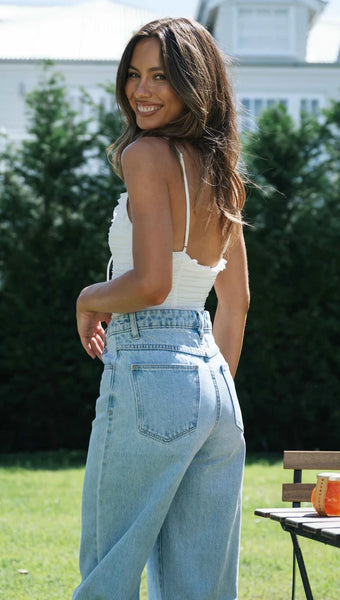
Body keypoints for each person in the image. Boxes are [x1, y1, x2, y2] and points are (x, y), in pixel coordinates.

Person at [73, 17, 249, 600]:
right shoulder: (224, 174)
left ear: (194, 85)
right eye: (133, 75)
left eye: (160, 77)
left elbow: (150, 285)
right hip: (215, 389)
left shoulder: (147, 155)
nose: (141, 91)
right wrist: (204, 391)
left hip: (152, 369)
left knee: (108, 576)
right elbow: (236, 301)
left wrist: (87, 299)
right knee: (200, 588)